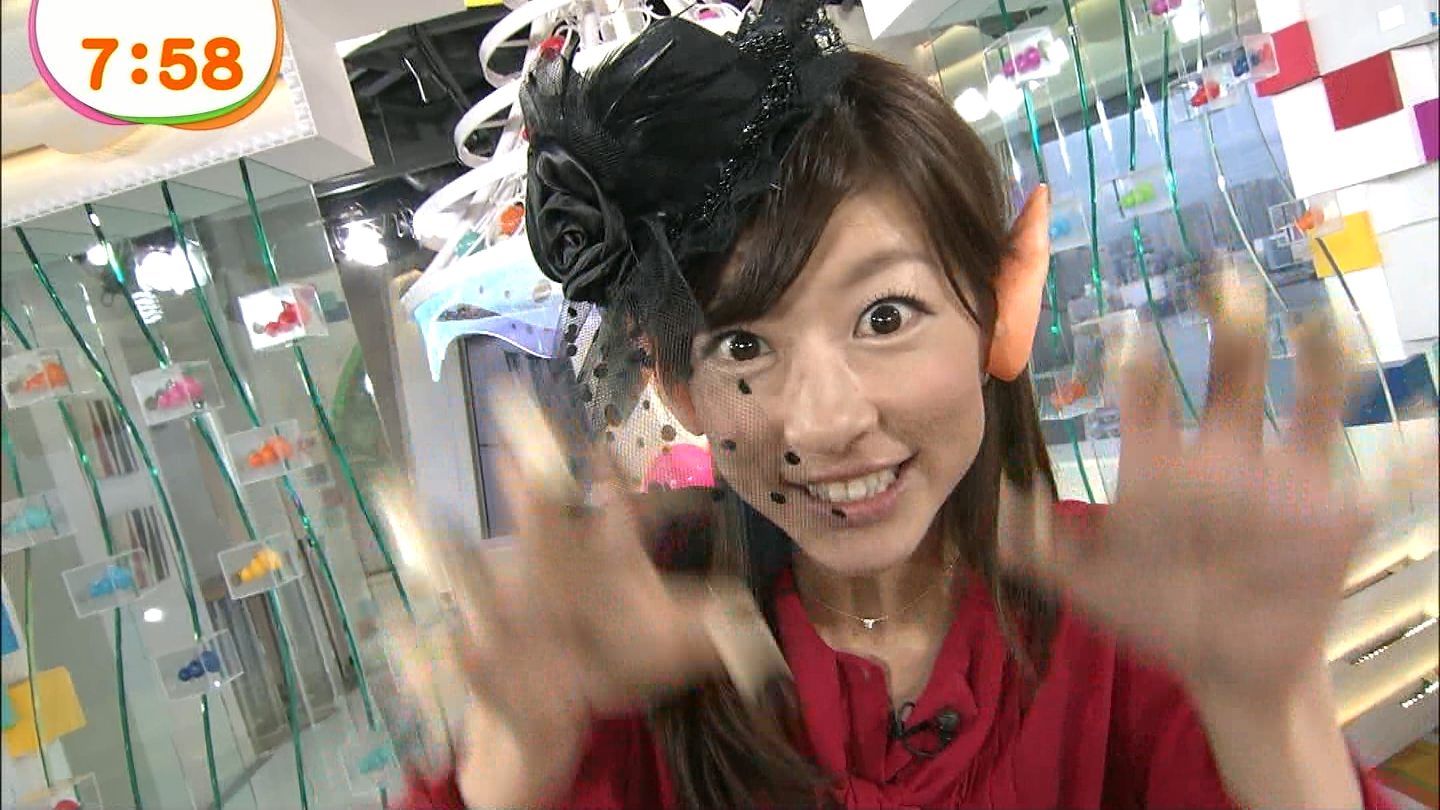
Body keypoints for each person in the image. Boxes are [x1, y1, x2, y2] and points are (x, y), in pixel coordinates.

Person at [400, 3, 1397, 807]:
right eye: (743, 345)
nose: (823, 422)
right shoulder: (625, 660)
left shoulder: (1139, 607)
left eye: (885, 316)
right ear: (676, 384)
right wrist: (515, 761)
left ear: (995, 313)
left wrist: (1271, 715)